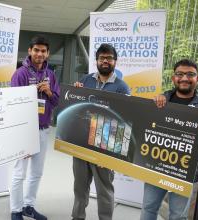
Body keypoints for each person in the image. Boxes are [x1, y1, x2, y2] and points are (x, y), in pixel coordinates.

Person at [140, 59, 198, 220]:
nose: (184, 78)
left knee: (178, 217)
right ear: (174, 78)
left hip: (185, 173)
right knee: (148, 209)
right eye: (180, 74)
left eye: (190, 74)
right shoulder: (162, 100)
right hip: (157, 166)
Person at [72, 43, 130, 220]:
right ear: (96, 61)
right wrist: (75, 92)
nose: (105, 61)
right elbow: (76, 107)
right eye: (102, 58)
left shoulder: (122, 87)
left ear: (115, 62)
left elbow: (125, 119)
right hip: (82, 142)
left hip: (106, 144)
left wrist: (113, 153)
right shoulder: (85, 80)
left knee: (104, 188)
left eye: (109, 58)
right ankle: (77, 216)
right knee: (80, 186)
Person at [9, 35, 60, 220]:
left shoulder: (51, 75)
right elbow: (14, 104)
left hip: (44, 129)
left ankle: (28, 206)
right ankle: (16, 210)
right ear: (30, 51)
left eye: (43, 51)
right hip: (24, 131)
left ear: (48, 54)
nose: (39, 53)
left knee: (37, 172)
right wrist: (25, 135)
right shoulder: (20, 74)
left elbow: (55, 102)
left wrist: (48, 91)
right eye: (36, 50)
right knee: (19, 172)